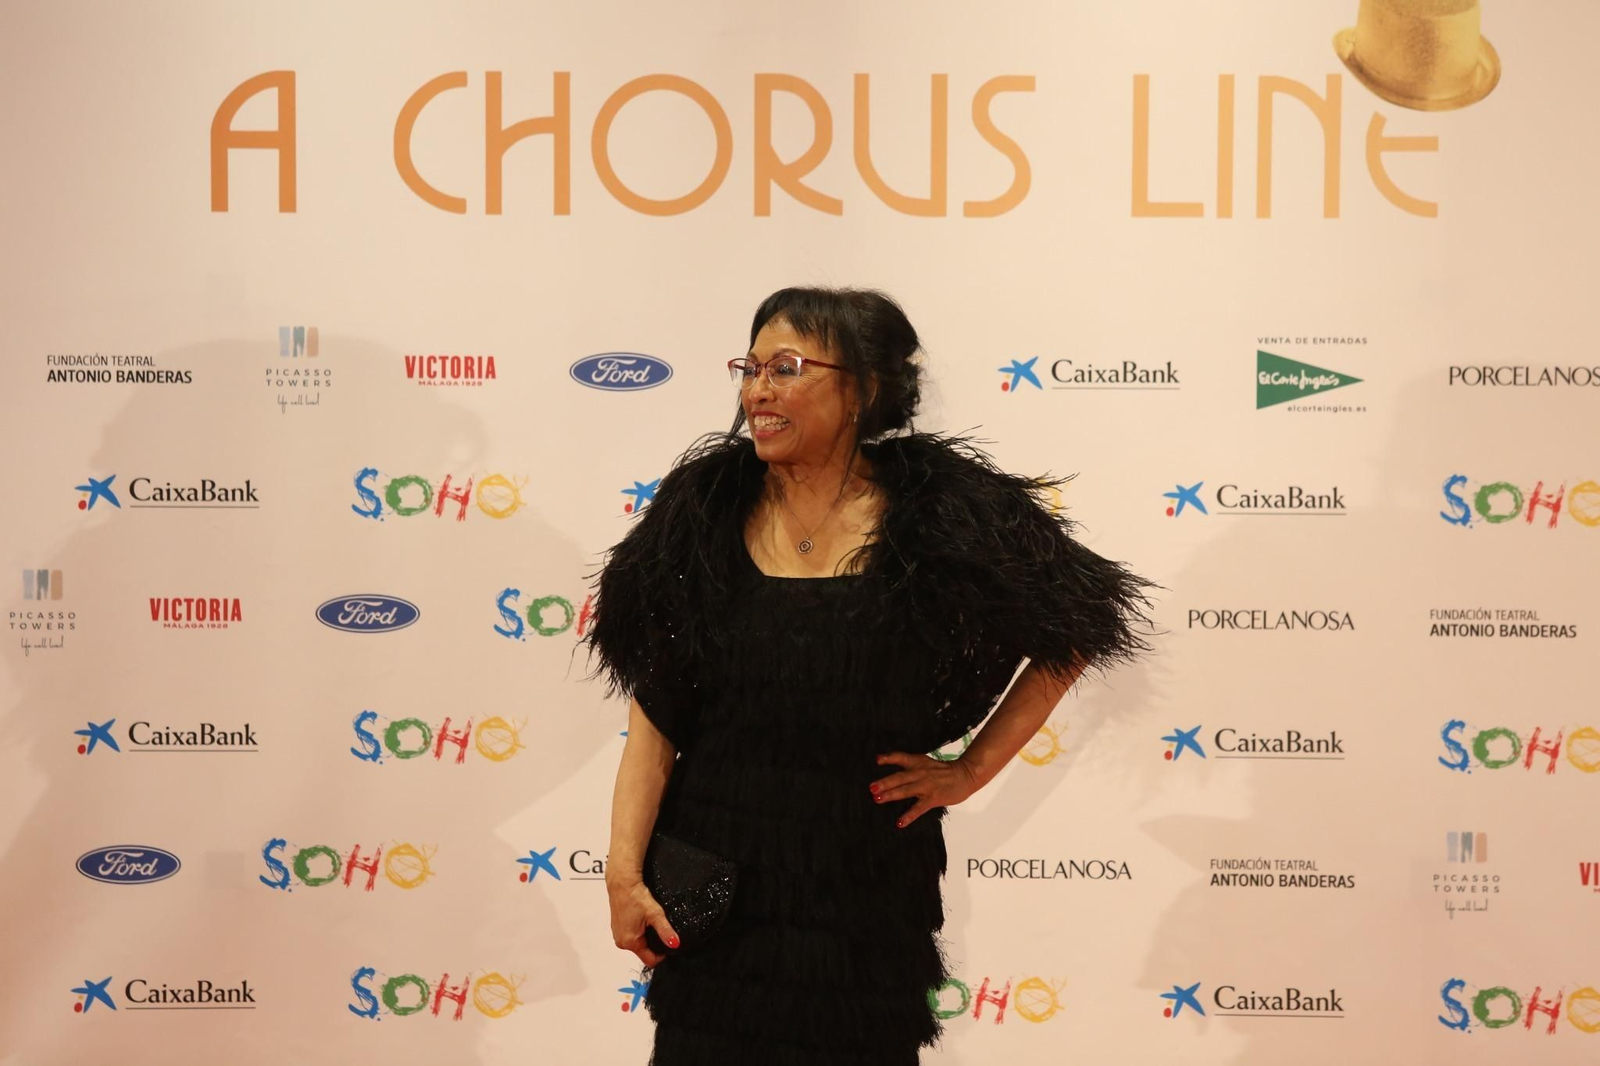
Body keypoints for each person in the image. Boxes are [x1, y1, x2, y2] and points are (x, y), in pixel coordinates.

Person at [585, 286, 1157, 1064]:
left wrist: (973, 769)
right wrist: (623, 872)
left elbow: (1076, 627)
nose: (757, 390)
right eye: (749, 369)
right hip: (715, 877)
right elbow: (655, 716)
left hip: (863, 885)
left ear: (863, 388)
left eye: (786, 367)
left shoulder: (942, 511)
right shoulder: (705, 508)